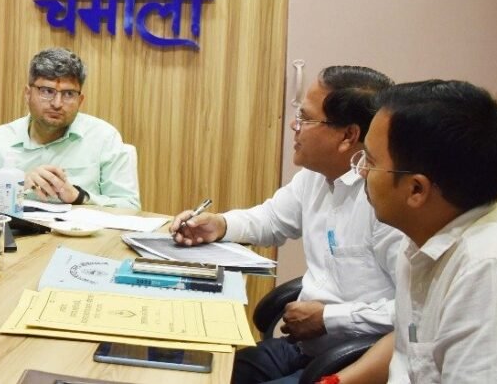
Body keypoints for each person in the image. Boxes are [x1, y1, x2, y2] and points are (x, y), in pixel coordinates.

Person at [170, 66, 405, 384]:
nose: (295, 125)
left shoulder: (385, 202)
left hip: (353, 363)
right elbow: (270, 219)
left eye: (306, 118)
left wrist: (329, 318)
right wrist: (219, 224)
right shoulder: (315, 177)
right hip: (302, 348)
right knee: (201, 372)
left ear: (348, 135)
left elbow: (412, 312)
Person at [334, 80, 497, 383]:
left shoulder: (488, 271)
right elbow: (409, 357)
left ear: (416, 189)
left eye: (370, 161)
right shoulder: (422, 235)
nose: (360, 172)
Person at [0, 47, 140, 208]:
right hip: (13, 233)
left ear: (80, 100)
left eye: (68, 94)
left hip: (78, 234)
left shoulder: (104, 137)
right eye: (47, 91)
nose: (57, 103)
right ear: (28, 94)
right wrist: (14, 185)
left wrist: (79, 197)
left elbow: (129, 207)